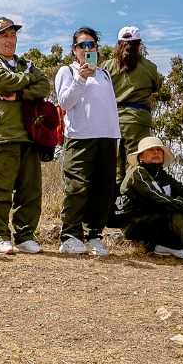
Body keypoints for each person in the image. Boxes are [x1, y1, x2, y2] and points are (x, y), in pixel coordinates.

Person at [0, 17, 51, 255]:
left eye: (13, 35)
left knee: (30, 190)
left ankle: (25, 235)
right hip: (2, 134)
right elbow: (2, 83)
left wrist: (20, 95)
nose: (10, 41)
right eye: (4, 36)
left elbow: (44, 86)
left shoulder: (25, 64)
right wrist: (28, 81)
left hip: (30, 134)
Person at [54, 26, 119, 256]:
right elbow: (65, 102)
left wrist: (116, 136)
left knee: (103, 189)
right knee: (77, 187)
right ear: (74, 50)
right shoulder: (67, 72)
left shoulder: (105, 74)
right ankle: (70, 235)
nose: (87, 49)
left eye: (91, 45)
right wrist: (80, 78)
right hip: (80, 138)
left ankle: (93, 236)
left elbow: (109, 106)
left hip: (108, 138)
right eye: (82, 45)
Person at [119, 137, 183, 266]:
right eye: (150, 150)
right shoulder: (137, 173)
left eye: (159, 150)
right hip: (135, 225)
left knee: (181, 204)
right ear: (140, 157)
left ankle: (166, 245)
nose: (156, 152)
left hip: (157, 223)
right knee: (176, 211)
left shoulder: (163, 176)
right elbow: (157, 199)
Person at [101, 25, 163, 187]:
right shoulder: (149, 67)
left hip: (112, 120)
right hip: (137, 121)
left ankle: (115, 205)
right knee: (135, 164)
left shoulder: (107, 67)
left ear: (118, 45)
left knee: (114, 165)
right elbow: (157, 86)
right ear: (139, 46)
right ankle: (130, 204)